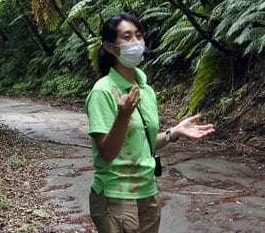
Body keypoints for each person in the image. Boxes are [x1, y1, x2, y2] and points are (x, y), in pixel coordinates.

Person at [86, 12, 216, 233]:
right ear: (109, 47)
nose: (136, 42)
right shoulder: (103, 91)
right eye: (126, 37)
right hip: (116, 195)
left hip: (147, 192)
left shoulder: (146, 90)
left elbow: (141, 145)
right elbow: (107, 153)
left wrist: (173, 133)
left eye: (139, 35)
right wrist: (123, 116)